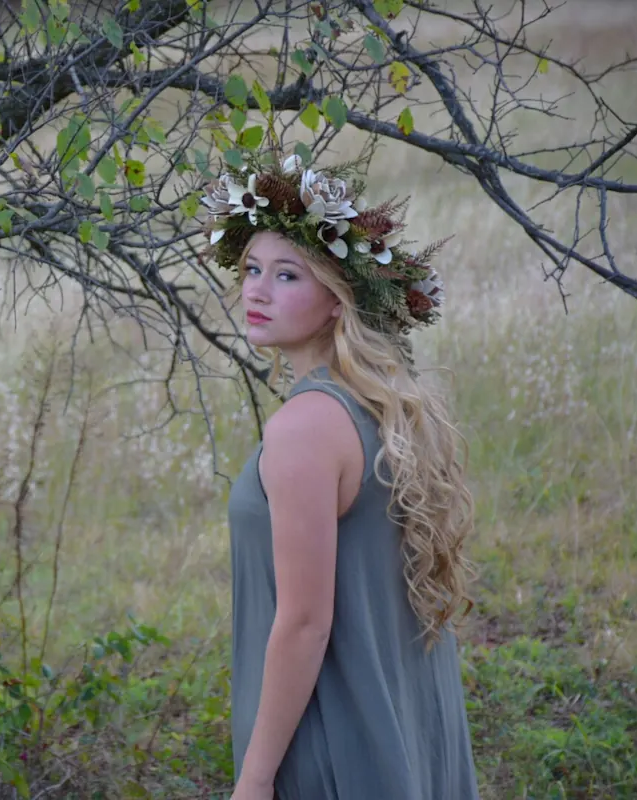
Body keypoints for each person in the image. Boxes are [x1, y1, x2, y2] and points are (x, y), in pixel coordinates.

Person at [199, 152, 480, 799]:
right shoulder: (384, 408)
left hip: (333, 743)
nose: (256, 290)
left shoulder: (304, 430)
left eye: (287, 275)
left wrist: (255, 778)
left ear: (336, 300)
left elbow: (305, 623)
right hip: (405, 728)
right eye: (251, 270)